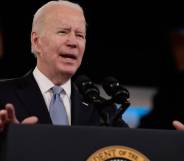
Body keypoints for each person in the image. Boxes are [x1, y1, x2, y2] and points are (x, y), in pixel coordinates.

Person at [0, 0, 128, 131]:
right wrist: (9, 140)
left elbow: (134, 147)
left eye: (80, 35)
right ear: (36, 41)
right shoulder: (3, 95)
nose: (73, 42)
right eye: (63, 32)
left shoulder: (103, 110)